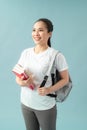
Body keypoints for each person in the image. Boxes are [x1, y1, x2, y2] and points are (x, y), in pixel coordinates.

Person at [15, 18, 69, 130]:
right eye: (34, 30)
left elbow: (65, 79)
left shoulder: (56, 56)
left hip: (45, 105)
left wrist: (49, 90)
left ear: (50, 33)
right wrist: (22, 82)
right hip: (26, 103)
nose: (36, 33)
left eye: (40, 30)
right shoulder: (26, 53)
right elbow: (18, 76)